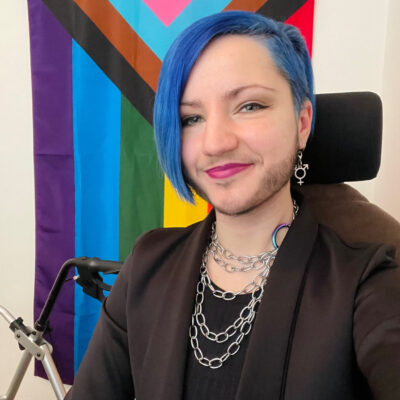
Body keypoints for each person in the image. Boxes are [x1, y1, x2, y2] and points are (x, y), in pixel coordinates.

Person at [65, 11, 400, 400]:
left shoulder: (369, 283)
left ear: (303, 121)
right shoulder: (148, 263)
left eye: (250, 106)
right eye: (191, 117)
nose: (215, 143)